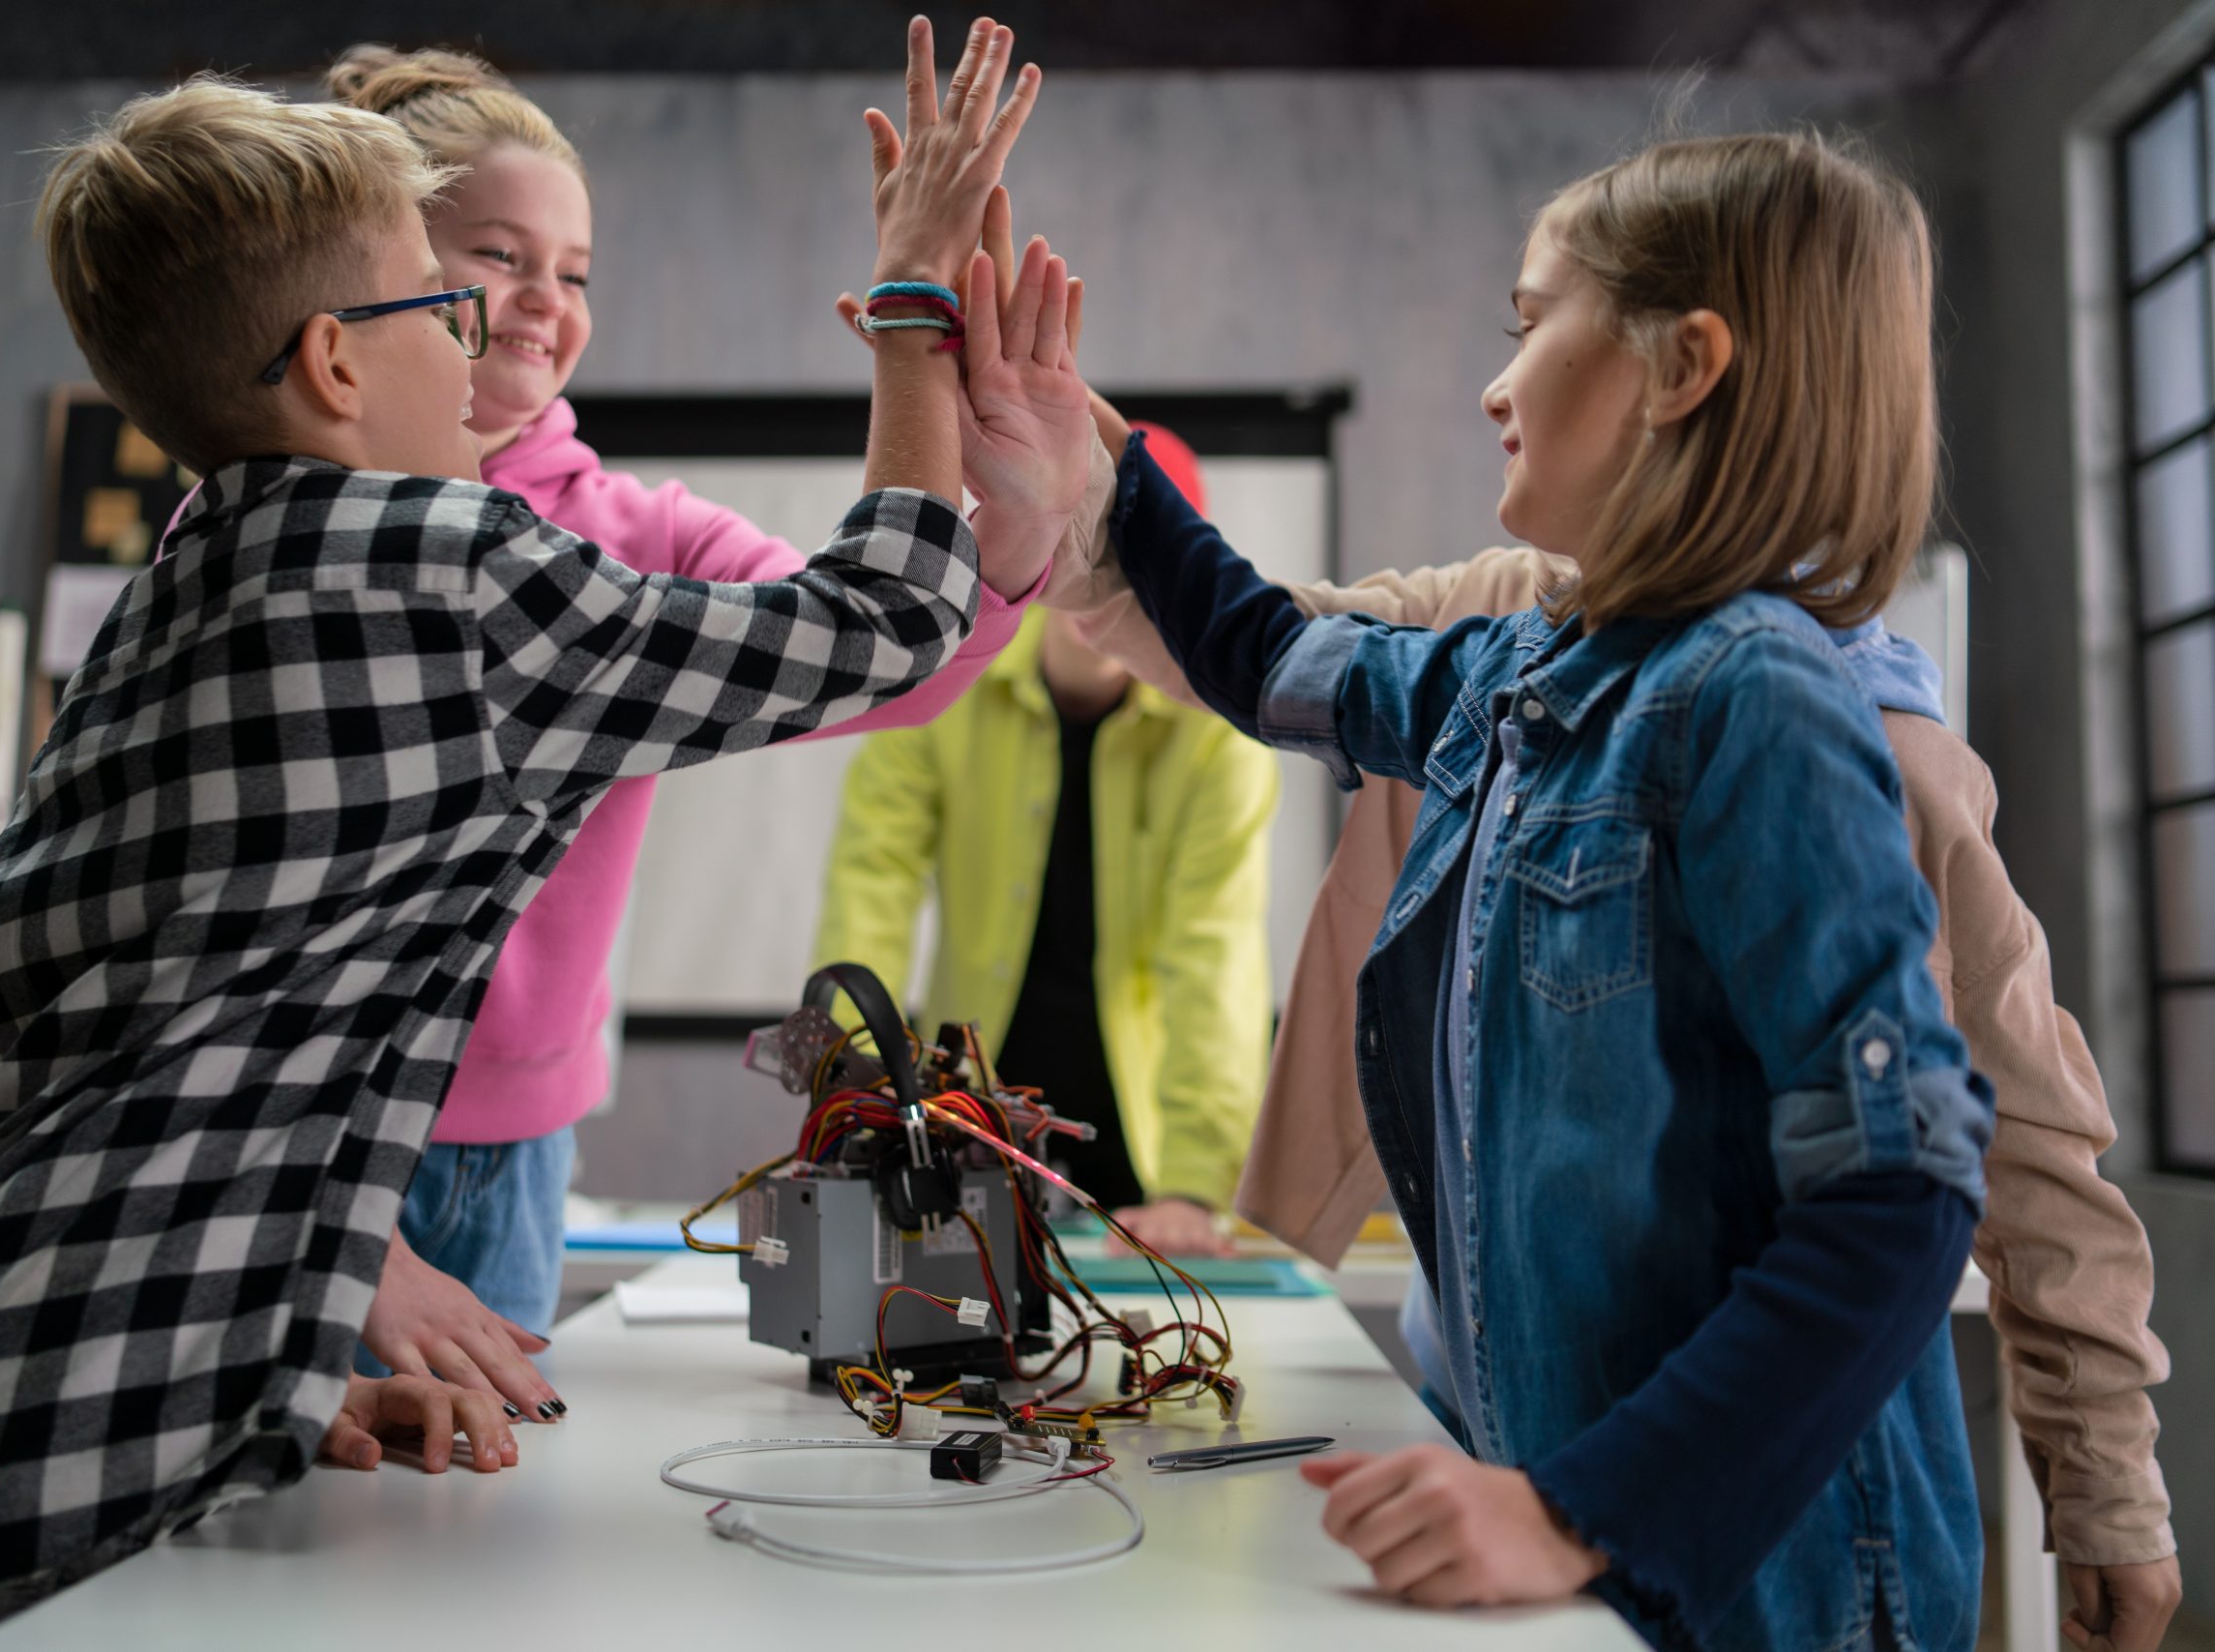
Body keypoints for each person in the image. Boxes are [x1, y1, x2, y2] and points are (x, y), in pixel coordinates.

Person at [0, 20, 1087, 1641]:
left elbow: (147, 1039)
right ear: (337, 363)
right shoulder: (450, 569)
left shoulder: (197, 574)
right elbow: (881, 618)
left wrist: (278, 1366)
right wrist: (917, 301)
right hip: (106, 1413)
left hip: (11, 1376)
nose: (497, 330)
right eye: (449, 296)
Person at [1006, 133, 1997, 1649]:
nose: (1498, 384)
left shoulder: (1758, 700)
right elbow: (1274, 658)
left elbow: (1899, 1202)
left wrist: (1578, 1511)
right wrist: (1097, 468)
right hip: (1576, 1535)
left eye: (1532, 326)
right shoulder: (1527, 672)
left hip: (1771, 1591)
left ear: (1681, 368)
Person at [309, 36, 1060, 1408]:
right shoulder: (293, 523)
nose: (545, 301)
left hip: (512, 1154)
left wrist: (1005, 548)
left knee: (457, 1540)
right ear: (384, 264)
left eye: (576, 272)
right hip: (314, 1139)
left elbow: (889, 659)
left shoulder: (633, 533)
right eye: (501, 255)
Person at [812, 425, 1277, 1255]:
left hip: (1143, 1138)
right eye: (1086, 549)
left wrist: (1194, 1185)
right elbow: (870, 887)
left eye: (1136, 570)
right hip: (971, 1117)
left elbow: (1212, 953)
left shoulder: (1216, 734)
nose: (1101, 590)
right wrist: (857, 1094)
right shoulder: (953, 675)